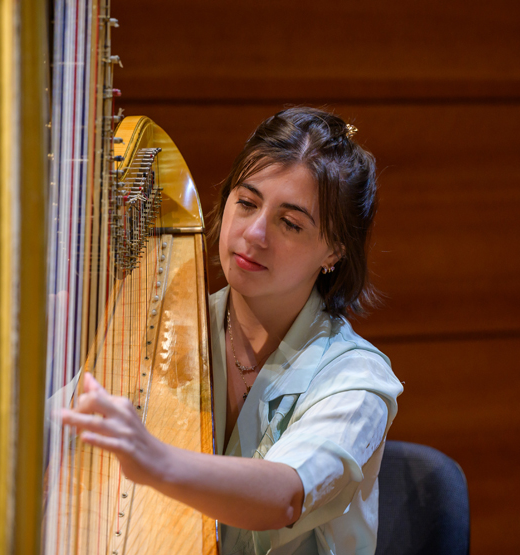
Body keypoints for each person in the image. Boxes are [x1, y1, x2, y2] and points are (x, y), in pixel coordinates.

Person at [61, 107, 403, 554]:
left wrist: (155, 459)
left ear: (334, 251)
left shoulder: (357, 380)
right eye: (247, 202)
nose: (254, 233)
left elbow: (284, 496)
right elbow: (54, 427)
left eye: (290, 223)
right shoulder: (162, 331)